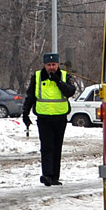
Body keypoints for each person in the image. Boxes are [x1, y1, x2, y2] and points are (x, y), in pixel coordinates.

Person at [22, 52, 76, 186]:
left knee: (57, 147)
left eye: (53, 64)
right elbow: (30, 96)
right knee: (46, 147)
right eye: (48, 65)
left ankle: (55, 176)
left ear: (58, 64)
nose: (51, 67)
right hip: (44, 118)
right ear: (44, 65)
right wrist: (25, 113)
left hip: (60, 117)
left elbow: (70, 91)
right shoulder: (38, 77)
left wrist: (58, 81)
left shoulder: (64, 76)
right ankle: (46, 175)